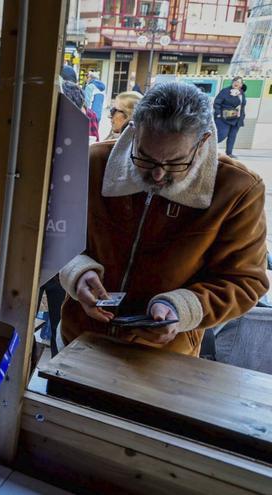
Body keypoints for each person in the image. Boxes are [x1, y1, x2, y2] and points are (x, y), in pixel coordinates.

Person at [58, 82, 268, 357]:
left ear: (203, 141)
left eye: (175, 163)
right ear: (133, 130)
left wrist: (181, 308)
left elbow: (245, 281)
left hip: (166, 357)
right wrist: (77, 272)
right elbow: (53, 237)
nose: (158, 175)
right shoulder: (92, 163)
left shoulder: (238, 189)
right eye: (144, 158)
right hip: (79, 338)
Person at [214, 76, 247, 158]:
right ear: (232, 82)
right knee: (221, 135)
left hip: (237, 118)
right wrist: (219, 114)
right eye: (235, 81)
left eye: (239, 82)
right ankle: (206, 147)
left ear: (241, 85)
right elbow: (217, 103)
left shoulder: (242, 93)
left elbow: (242, 105)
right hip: (224, 117)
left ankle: (229, 153)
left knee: (232, 136)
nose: (236, 83)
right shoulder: (225, 91)